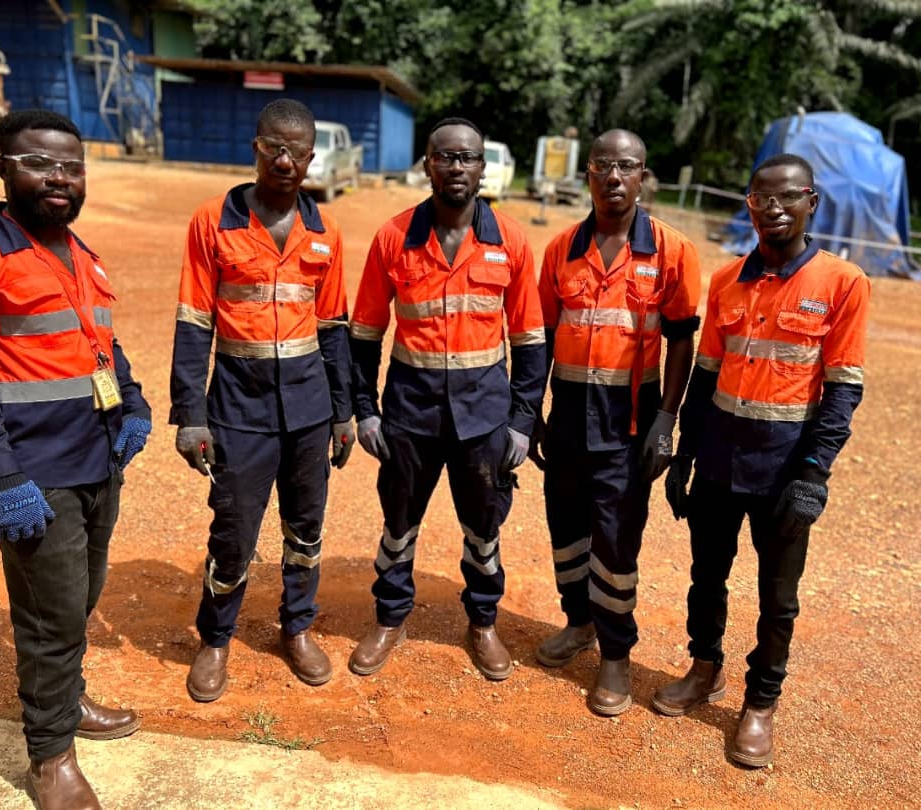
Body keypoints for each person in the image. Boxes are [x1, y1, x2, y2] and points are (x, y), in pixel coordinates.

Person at [0, 109, 151, 810]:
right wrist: (1, 477)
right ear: (2, 168)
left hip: (97, 462)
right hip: (35, 476)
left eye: (71, 167)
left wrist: (132, 402)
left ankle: (68, 699)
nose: (59, 178)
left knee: (79, 601)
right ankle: (50, 758)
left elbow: (100, 344)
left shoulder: (81, 255)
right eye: (40, 163)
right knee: (50, 618)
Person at [653, 153, 869, 767]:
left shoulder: (843, 283)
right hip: (721, 460)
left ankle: (760, 703)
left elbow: (843, 389)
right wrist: (686, 454)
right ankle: (704, 668)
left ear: (811, 203)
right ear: (748, 205)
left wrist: (814, 474)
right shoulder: (727, 280)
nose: (773, 208)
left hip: (784, 469)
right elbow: (705, 375)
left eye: (787, 197)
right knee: (706, 576)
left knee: (778, 598)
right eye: (760, 198)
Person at [347, 117, 547, 680]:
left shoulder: (510, 240)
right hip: (409, 413)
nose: (456, 167)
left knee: (484, 526)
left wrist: (521, 422)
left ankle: (483, 622)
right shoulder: (394, 238)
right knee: (398, 521)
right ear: (427, 165)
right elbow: (364, 335)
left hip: (484, 417)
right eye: (445, 157)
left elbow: (530, 340)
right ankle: (390, 617)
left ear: (483, 168)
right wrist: (365, 410)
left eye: (468, 158)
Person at [170, 99, 354, 697]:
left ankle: (296, 629)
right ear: (256, 148)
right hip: (238, 408)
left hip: (309, 408)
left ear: (311, 158)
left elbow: (334, 329)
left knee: (306, 529)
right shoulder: (213, 221)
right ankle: (215, 639)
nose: (284, 160)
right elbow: (194, 322)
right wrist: (190, 415)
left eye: (296, 152)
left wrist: (344, 413)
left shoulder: (324, 233)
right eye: (274, 147)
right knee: (233, 531)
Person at [529, 129, 701, 715]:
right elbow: (542, 337)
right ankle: (578, 622)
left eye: (627, 166)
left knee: (616, 538)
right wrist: (533, 412)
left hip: (629, 421)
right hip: (568, 414)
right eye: (603, 165)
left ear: (642, 175)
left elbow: (681, 341)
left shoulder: (671, 251)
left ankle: (615, 655)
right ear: (588, 174)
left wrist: (666, 419)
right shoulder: (561, 249)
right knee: (566, 528)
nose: (614, 177)